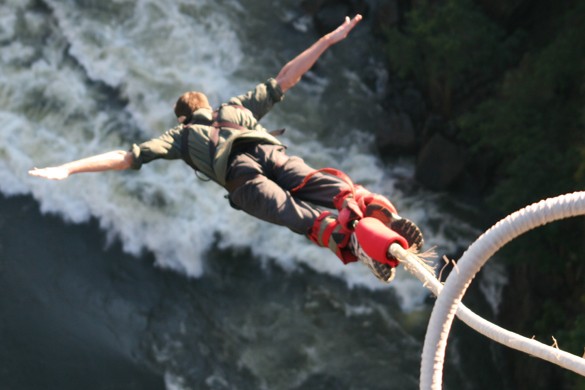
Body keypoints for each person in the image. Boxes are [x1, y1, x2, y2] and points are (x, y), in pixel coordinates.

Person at [29, 15, 423, 282]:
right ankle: (373, 211)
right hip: (272, 155)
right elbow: (288, 76)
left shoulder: (181, 138)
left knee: (308, 221)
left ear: (183, 118)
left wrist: (68, 168)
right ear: (206, 104)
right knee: (336, 190)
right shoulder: (234, 108)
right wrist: (328, 40)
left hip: (244, 181)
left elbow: (127, 157)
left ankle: (356, 242)